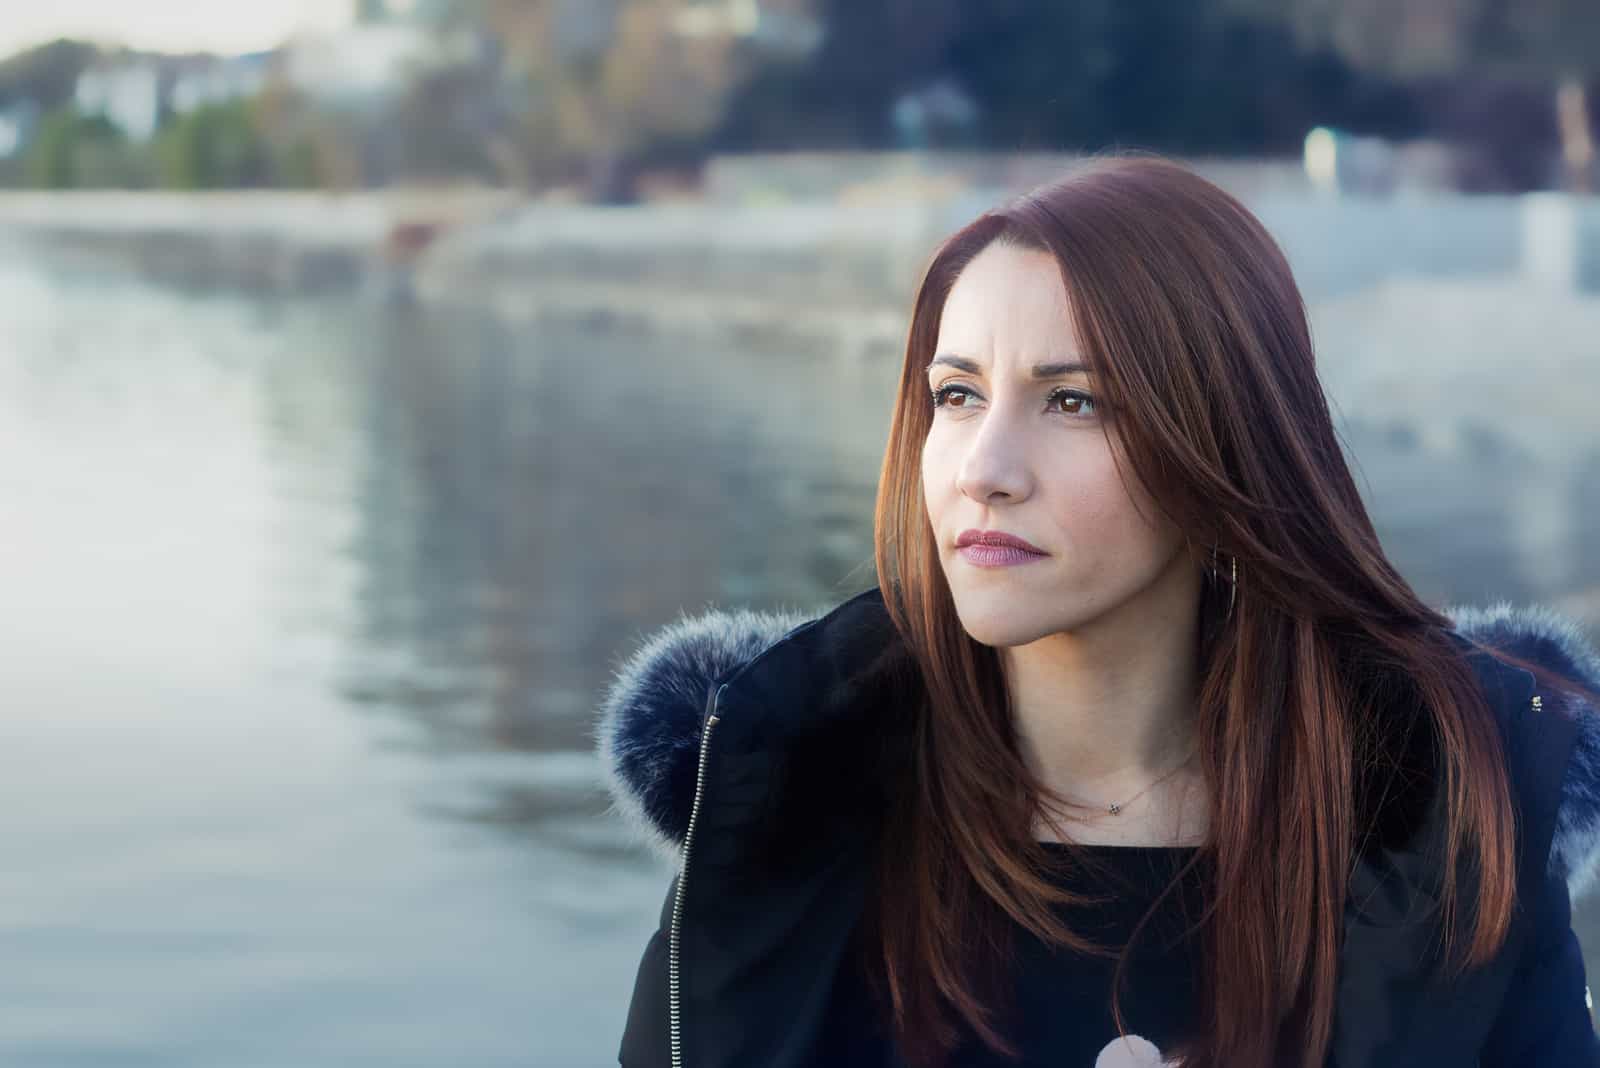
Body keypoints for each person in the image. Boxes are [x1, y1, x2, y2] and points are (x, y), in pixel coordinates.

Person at [595, 154, 1600, 1067]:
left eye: (1071, 402)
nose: (983, 470)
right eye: (955, 396)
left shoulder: (1447, 819)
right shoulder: (784, 804)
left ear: (1220, 443)